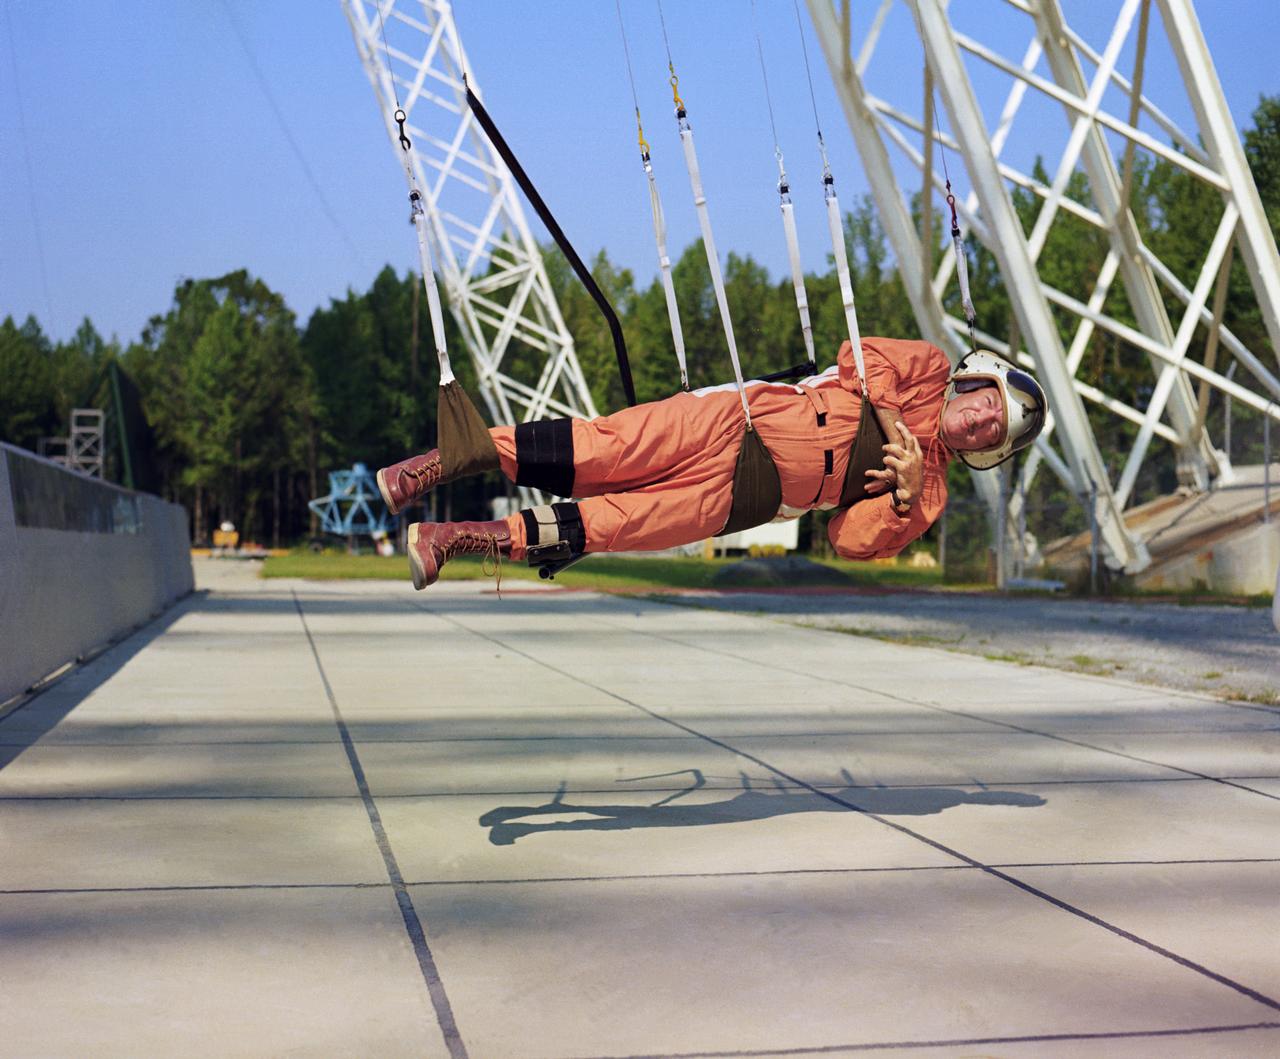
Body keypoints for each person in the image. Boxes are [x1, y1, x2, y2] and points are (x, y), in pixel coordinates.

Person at [376, 339, 1046, 589]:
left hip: (747, 496)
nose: (982, 418)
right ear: (975, 383)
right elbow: (858, 357)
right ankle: (436, 463)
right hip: (738, 421)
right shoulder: (928, 368)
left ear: (988, 447)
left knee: (614, 525)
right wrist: (897, 425)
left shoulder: (929, 493)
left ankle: (452, 538)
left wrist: (900, 498)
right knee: (605, 447)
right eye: (988, 403)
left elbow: (848, 539)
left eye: (993, 427)